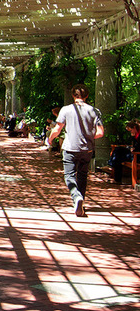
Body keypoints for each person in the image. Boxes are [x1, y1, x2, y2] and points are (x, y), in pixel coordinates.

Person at [46, 84, 104, 217]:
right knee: (82, 175)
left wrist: (50, 139)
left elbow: (57, 129)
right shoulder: (94, 111)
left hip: (70, 147)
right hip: (87, 149)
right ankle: (79, 201)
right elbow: (100, 132)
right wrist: (89, 137)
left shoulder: (66, 110)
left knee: (69, 175)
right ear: (87, 96)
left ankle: (76, 197)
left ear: (73, 95)